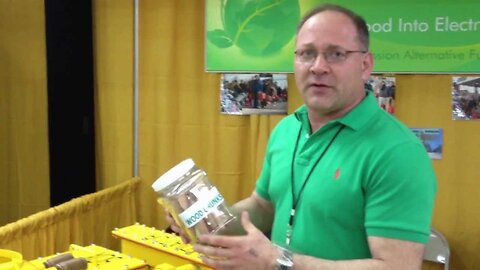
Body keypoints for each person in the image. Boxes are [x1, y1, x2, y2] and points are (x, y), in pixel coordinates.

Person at [166, 3, 436, 270]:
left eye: (336, 54)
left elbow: (397, 267)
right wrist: (208, 222)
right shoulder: (287, 129)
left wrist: (277, 261)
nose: (318, 67)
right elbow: (263, 206)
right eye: (307, 53)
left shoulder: (397, 151)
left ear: (365, 65)